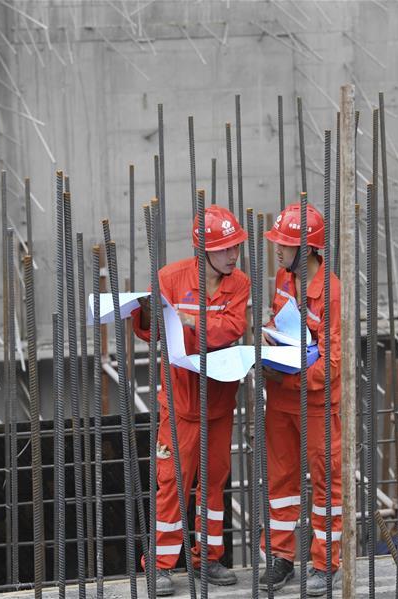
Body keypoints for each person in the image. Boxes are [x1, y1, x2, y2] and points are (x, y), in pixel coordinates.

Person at [131, 205, 249, 596]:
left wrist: (190, 322)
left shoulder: (240, 284)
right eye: (226, 248)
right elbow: (149, 333)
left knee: (215, 481)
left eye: (236, 246)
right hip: (181, 402)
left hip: (218, 401)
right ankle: (162, 565)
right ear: (204, 251)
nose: (233, 254)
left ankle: (209, 558)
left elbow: (231, 328)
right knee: (173, 482)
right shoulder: (170, 279)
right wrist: (148, 315)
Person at [259, 202, 342, 596]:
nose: (277, 248)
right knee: (281, 481)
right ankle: (281, 556)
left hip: (316, 405)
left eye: (285, 243)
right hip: (280, 400)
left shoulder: (331, 293)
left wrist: (289, 376)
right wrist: (269, 341)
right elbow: (280, 323)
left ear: (307, 249)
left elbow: (333, 363)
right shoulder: (282, 278)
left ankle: (325, 563)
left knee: (326, 485)